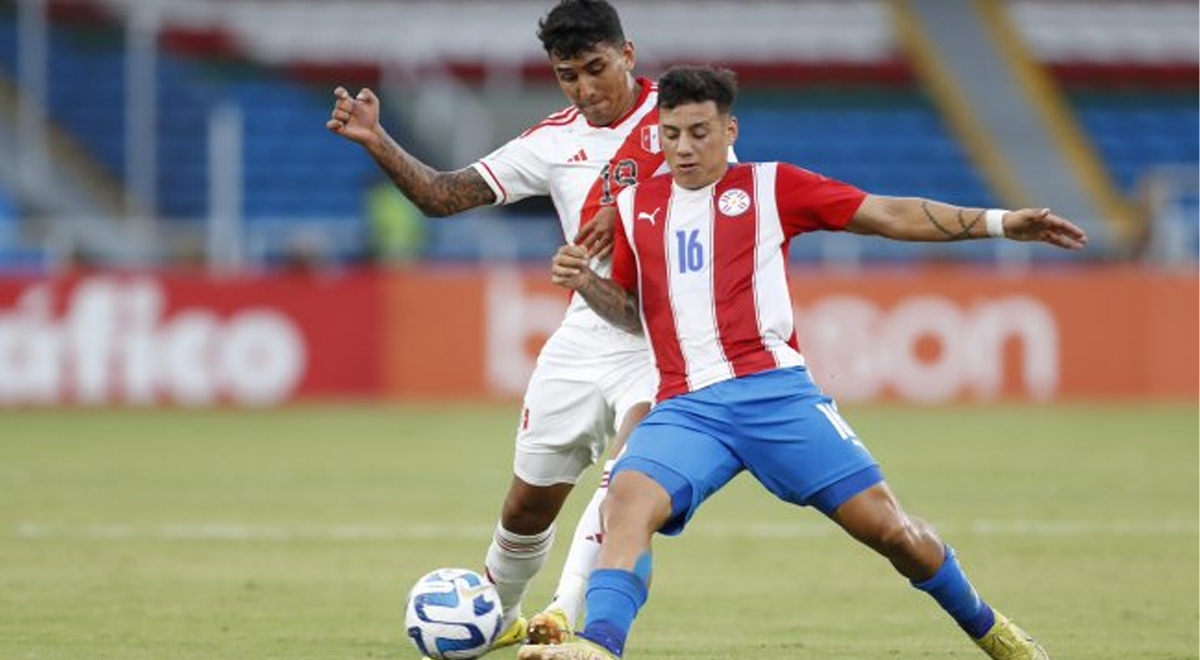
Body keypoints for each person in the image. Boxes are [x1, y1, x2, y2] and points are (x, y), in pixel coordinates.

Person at [521, 65, 1087, 660]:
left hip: (774, 395)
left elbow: (889, 214)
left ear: (728, 128)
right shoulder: (637, 207)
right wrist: (587, 283)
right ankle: (599, 646)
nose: (683, 148)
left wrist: (1001, 223)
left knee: (892, 532)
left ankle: (990, 628)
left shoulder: (773, 187)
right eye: (670, 134)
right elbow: (634, 314)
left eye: (698, 132)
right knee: (626, 502)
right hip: (685, 406)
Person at [327, 0, 672, 652]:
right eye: (568, 74)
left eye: (596, 68)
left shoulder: (680, 119)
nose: (585, 87)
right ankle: (497, 619)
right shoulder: (553, 139)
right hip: (586, 332)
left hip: (664, 342)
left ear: (627, 54)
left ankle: (566, 619)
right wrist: (379, 141)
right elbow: (442, 194)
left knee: (627, 486)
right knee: (525, 508)